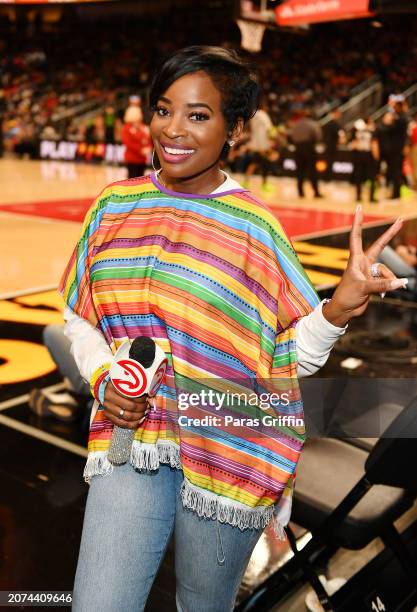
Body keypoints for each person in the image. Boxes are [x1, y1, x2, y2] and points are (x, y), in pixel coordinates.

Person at [59, 47, 406, 612]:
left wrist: (337, 309)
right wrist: (103, 376)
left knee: (202, 605)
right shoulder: (113, 205)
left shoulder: (256, 229)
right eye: (163, 109)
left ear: (236, 130)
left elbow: (290, 358)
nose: (173, 130)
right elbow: (80, 314)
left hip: (231, 448)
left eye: (198, 115)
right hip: (136, 441)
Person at [289, 109, 323, 199]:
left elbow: (291, 136)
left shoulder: (295, 124)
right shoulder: (313, 124)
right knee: (312, 171)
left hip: (298, 149)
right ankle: (316, 192)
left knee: (300, 172)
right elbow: (318, 136)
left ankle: (300, 193)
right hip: (309, 148)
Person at [350, 118, 379, 203]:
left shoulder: (356, 131)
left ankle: (358, 196)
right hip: (368, 155)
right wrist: (376, 158)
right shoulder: (372, 132)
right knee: (372, 177)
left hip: (358, 155)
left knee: (358, 176)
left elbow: (353, 145)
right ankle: (371, 197)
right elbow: (374, 145)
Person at [121, 105, 151, 179]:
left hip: (142, 159)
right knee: (132, 179)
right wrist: (141, 150)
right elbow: (128, 143)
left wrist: (149, 148)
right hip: (132, 159)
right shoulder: (127, 128)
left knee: (140, 180)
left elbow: (148, 139)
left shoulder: (143, 127)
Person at [323, 109, 342, 181]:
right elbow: (340, 137)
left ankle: (326, 177)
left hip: (327, 145)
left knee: (328, 162)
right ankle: (328, 177)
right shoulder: (335, 125)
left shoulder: (328, 124)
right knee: (330, 162)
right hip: (332, 146)